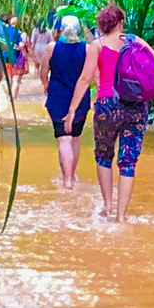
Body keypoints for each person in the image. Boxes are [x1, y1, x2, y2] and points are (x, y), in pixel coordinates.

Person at [65, 2, 154, 223]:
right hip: (135, 106)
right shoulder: (134, 41)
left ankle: (107, 206)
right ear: (120, 22)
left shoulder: (96, 45)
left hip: (107, 105)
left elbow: (85, 78)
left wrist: (71, 111)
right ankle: (121, 216)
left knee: (104, 155)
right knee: (128, 162)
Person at [45, 15, 93, 188]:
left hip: (58, 98)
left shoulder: (52, 48)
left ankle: (66, 181)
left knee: (63, 139)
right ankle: (71, 176)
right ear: (79, 29)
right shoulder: (87, 49)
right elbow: (91, 76)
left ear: (60, 29)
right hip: (80, 99)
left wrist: (45, 85)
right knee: (75, 138)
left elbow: (44, 73)